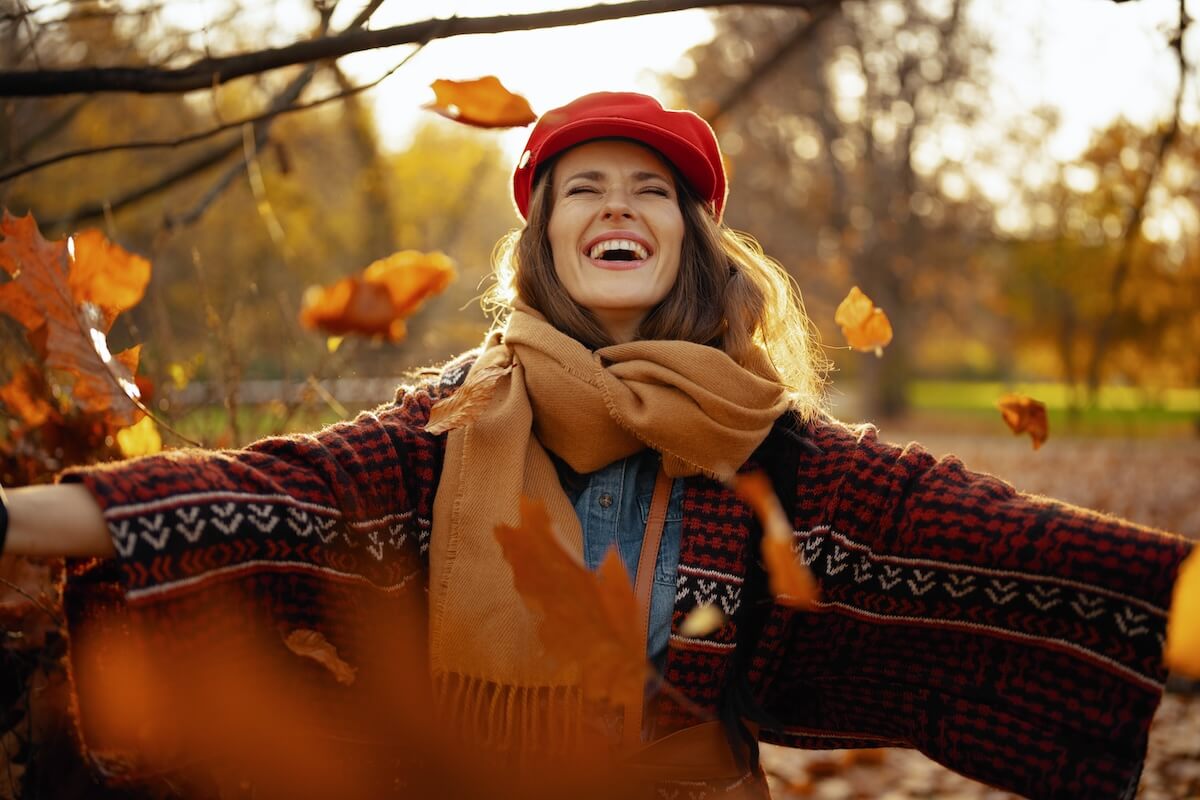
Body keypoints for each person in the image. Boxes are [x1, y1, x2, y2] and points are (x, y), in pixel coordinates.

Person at [0, 92, 1193, 799]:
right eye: (585, 188)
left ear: (691, 237)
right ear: (545, 237)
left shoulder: (760, 443)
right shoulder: (447, 422)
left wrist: (1180, 592)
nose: (618, 204)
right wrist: (22, 515)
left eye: (651, 189)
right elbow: (275, 493)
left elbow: (977, 531)